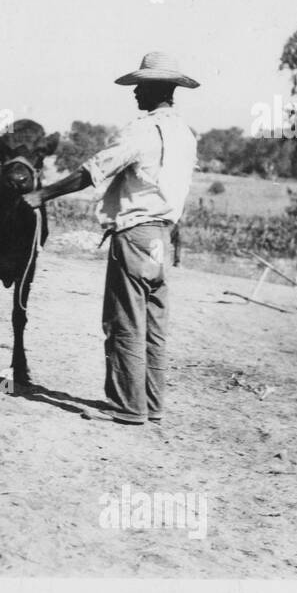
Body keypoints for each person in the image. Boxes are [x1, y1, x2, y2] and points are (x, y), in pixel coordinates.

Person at [23, 52, 200, 425]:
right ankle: (150, 404)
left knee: (124, 322)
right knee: (153, 324)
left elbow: (93, 171)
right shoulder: (185, 134)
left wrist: (42, 195)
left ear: (155, 88)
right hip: (161, 238)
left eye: (140, 87)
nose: (135, 94)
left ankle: (127, 406)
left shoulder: (142, 131)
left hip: (135, 234)